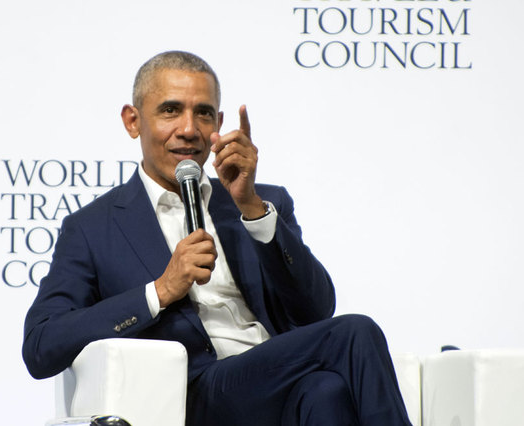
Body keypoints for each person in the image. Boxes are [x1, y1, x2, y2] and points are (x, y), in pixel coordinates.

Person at [23, 50, 411, 426]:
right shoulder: (93, 227)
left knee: (326, 392)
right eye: (171, 110)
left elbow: (315, 310)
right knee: (355, 332)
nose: (189, 130)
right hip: (195, 395)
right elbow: (41, 346)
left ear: (219, 124)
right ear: (133, 121)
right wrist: (158, 291)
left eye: (203, 114)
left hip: (277, 380)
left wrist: (252, 209)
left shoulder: (262, 201)